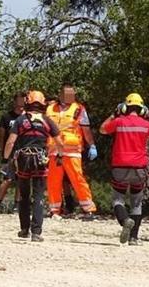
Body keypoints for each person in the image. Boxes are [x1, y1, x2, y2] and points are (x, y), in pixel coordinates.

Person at [99, 93, 149, 245]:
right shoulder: (145, 124)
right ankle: (134, 238)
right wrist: (147, 118)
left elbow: (102, 129)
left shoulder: (119, 121)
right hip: (139, 167)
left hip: (119, 165)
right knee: (136, 202)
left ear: (124, 107)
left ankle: (125, 220)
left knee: (117, 199)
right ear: (142, 109)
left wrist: (113, 114)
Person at [3, 90, 63, 242]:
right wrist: (60, 156)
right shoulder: (47, 121)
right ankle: (36, 232)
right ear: (42, 104)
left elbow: (10, 142)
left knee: (24, 195)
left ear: (28, 103)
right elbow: (59, 142)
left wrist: (6, 158)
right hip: (41, 161)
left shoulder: (21, 120)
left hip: (23, 160)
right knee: (38, 196)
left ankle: (24, 229)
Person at [45, 83, 98, 216]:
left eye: (72, 94)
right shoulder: (50, 108)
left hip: (72, 151)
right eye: (68, 94)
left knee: (78, 179)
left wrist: (92, 145)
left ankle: (88, 209)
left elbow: (86, 129)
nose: (71, 97)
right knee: (53, 181)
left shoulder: (79, 109)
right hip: (54, 151)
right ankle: (55, 210)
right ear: (61, 94)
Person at [0, 92, 25, 211]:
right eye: (19, 101)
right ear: (15, 101)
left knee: (21, 179)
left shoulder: (26, 117)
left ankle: (17, 205)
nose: (21, 104)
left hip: (23, 152)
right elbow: (1, 136)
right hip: (10, 153)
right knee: (7, 179)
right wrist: (3, 153)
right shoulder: (6, 117)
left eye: (23, 101)